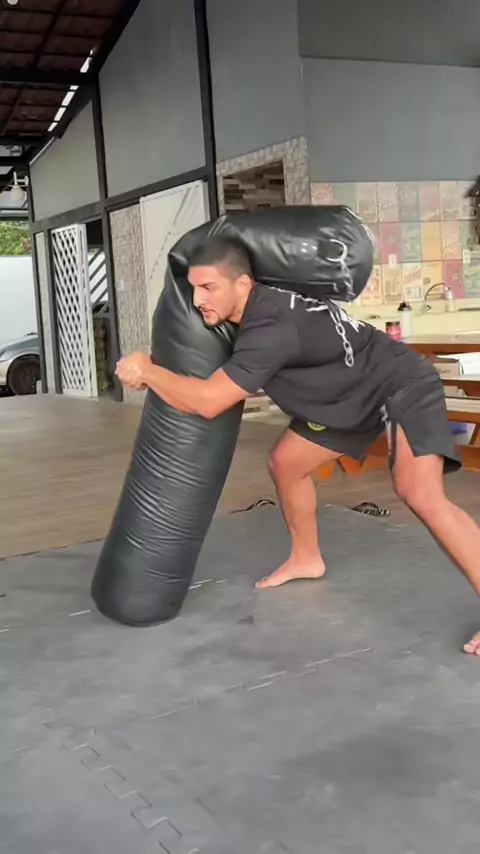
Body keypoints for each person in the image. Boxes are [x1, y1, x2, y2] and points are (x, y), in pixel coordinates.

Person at [115, 235, 480, 656]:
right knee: (286, 463)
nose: (198, 300)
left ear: (243, 285)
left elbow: (209, 402)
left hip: (398, 383)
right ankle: (306, 557)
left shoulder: (270, 328)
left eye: (209, 287)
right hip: (345, 394)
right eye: (194, 288)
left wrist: (148, 372)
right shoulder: (259, 305)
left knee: (419, 492)